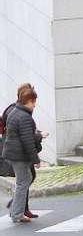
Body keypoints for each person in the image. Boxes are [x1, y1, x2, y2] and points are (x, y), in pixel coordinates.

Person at [3, 84, 46, 219]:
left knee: (24, 180)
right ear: (28, 101)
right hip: (18, 155)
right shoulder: (24, 117)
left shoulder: (15, 111)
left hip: (12, 153)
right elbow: (27, 141)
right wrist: (36, 160)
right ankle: (16, 213)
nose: (34, 105)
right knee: (23, 182)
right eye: (33, 102)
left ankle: (15, 209)